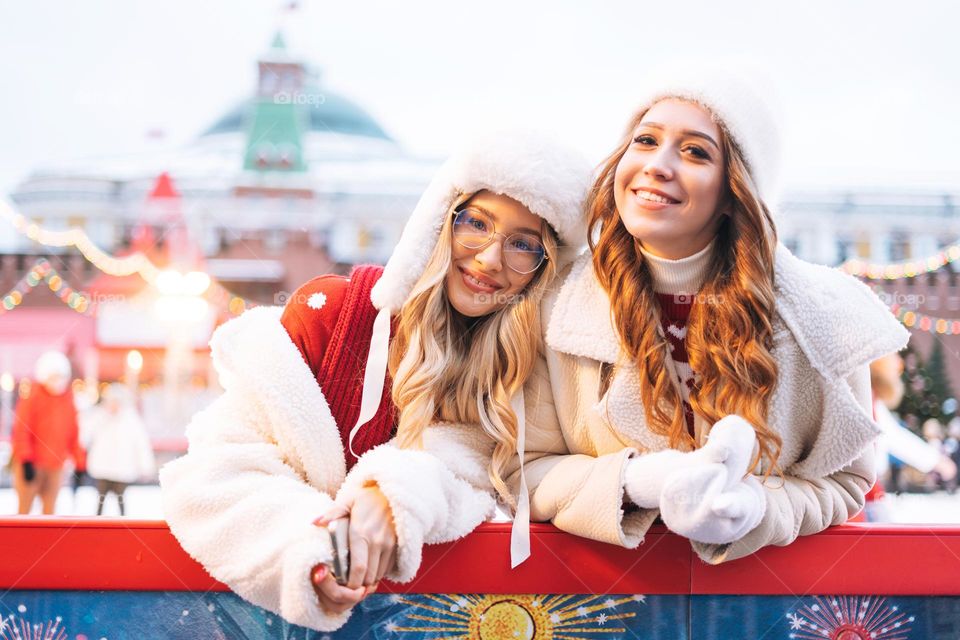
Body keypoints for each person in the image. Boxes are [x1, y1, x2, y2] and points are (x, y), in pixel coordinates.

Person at [158, 130, 591, 632]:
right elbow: (216, 470)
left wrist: (393, 496)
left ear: (545, 268)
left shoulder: (523, 376)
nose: (490, 259)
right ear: (439, 222)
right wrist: (315, 546)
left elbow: (475, 480)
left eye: (522, 244)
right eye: (476, 223)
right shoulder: (334, 315)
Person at [11, 351, 86, 515]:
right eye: (53, 376)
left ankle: (46, 541)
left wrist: (80, 463)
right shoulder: (32, 398)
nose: (57, 381)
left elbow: (73, 434)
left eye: (60, 376)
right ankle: (21, 540)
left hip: (55, 466)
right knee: (24, 511)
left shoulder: (68, 401)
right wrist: (25, 460)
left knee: (49, 512)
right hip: (32, 464)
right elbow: (22, 430)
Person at [81, 383, 156, 516]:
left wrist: (145, 466)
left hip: (122, 468)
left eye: (117, 402)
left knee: (121, 499)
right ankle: (96, 523)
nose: (113, 405)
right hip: (102, 467)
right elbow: (84, 436)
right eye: (111, 401)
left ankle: (123, 524)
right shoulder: (98, 417)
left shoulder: (131, 419)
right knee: (100, 499)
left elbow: (141, 444)